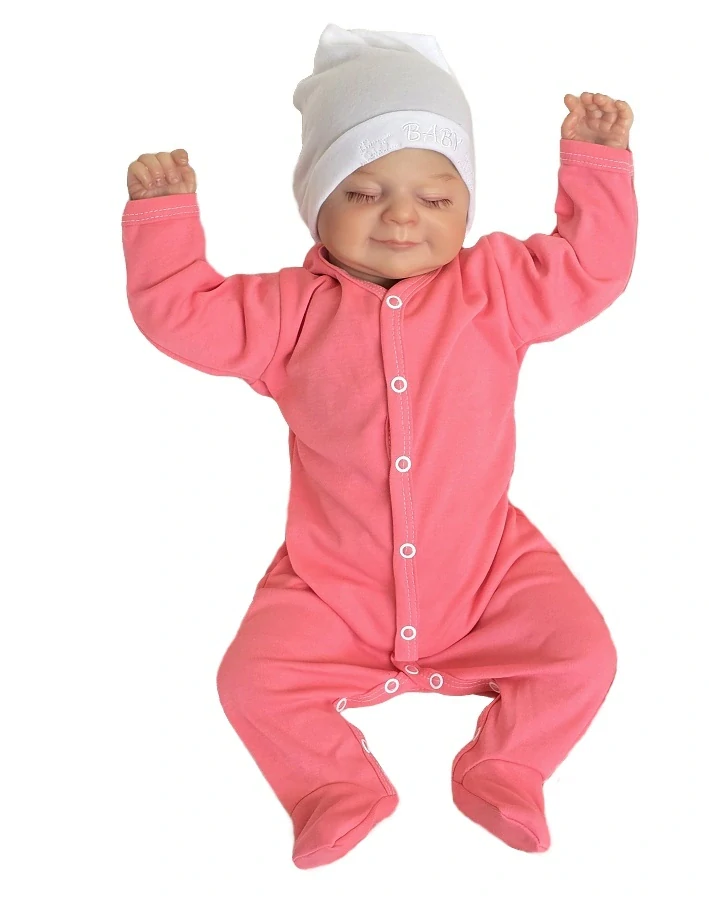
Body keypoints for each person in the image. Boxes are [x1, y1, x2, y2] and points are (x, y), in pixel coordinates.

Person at [121, 23, 636, 869]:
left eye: (435, 198)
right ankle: (333, 786)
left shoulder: (494, 289)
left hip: (489, 569)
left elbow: (588, 267)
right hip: (331, 583)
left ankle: (508, 766)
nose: (401, 216)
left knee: (583, 657)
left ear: (466, 207)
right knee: (249, 681)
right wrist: (164, 221)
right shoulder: (289, 313)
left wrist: (595, 163)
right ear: (316, 202)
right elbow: (182, 314)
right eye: (363, 192)